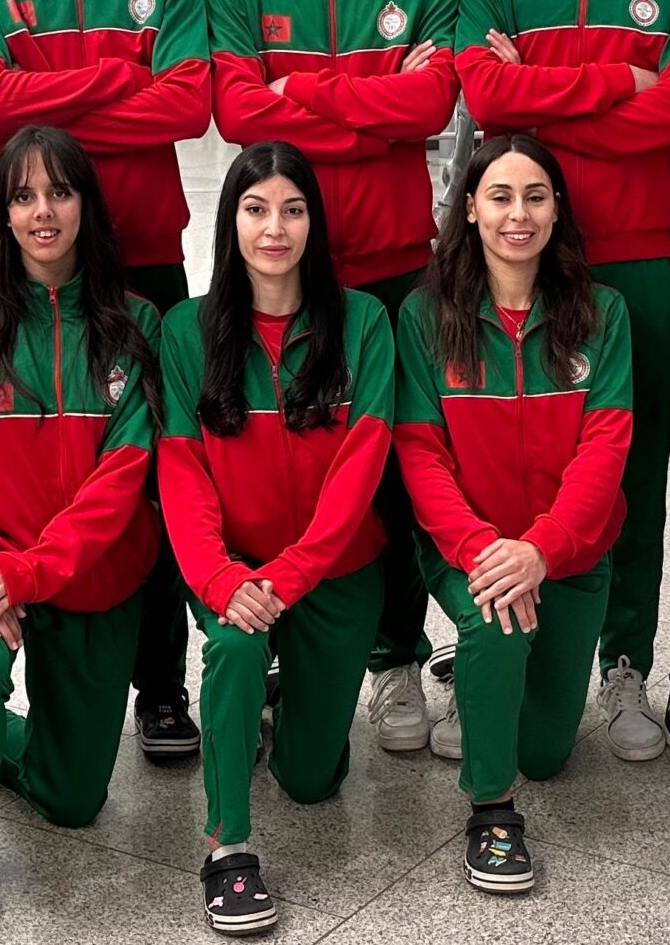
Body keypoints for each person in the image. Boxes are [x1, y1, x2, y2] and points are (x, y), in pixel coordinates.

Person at [455, 0, 670, 766]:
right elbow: (487, 99)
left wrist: (545, 94)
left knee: (633, 470)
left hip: (638, 262)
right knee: (508, 462)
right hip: (517, 262)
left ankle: (624, 664)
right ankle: (502, 638)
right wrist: (622, 84)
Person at [0, 0, 210, 759]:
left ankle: (162, 685)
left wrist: (46, 93)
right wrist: (118, 74)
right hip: (34, 267)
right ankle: (40, 652)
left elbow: (187, 104)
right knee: (53, 464)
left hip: (143, 258)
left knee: (154, 473)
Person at [207, 0, 460, 756]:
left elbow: (431, 106)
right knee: (286, 467)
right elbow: (238, 115)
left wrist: (296, 96)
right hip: (281, 271)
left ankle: (399, 657)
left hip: (394, 268)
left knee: (399, 472)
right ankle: (298, 646)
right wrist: (372, 100)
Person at [0, 126, 164, 941]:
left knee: (75, 798)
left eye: (59, 192)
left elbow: (124, 477)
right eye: (23, 196)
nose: (42, 211)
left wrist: (32, 570)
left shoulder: (137, 323)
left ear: (87, 204)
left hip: (92, 571)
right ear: (2, 212)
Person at [157, 142, 396, 933]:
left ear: (313, 222)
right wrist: (222, 579)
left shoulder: (363, 321)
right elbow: (182, 471)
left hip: (336, 570)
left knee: (310, 781)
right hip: (232, 568)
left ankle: (282, 697)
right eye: (256, 209)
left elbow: (360, 470)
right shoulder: (188, 329)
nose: (274, 228)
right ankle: (227, 845)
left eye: (293, 210)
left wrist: (288, 579)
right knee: (231, 645)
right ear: (230, 221)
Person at [394, 135, 632, 895]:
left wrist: (542, 549)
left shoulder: (603, 313)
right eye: (499, 197)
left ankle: (483, 684)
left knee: (548, 754)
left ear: (558, 209)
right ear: (469, 208)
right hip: (470, 552)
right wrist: (483, 551)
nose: (517, 214)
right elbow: (421, 454)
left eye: (535, 197)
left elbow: (605, 448)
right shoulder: (426, 315)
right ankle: (491, 809)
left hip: (571, 556)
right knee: (495, 623)